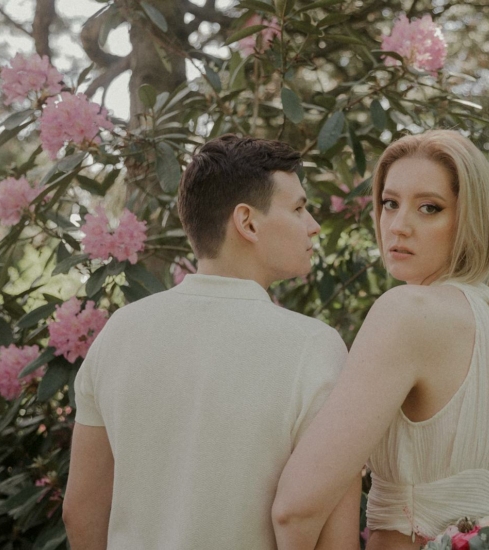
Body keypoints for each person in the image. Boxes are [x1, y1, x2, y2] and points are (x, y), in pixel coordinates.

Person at [62, 135, 361, 550]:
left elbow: (80, 513)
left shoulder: (119, 332)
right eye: (297, 208)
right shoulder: (315, 347)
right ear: (248, 222)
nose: (312, 224)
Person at [272, 130, 489, 549]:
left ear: (468, 218)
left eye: (429, 208)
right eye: (390, 203)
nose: (398, 226)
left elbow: (295, 509)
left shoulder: (408, 312)